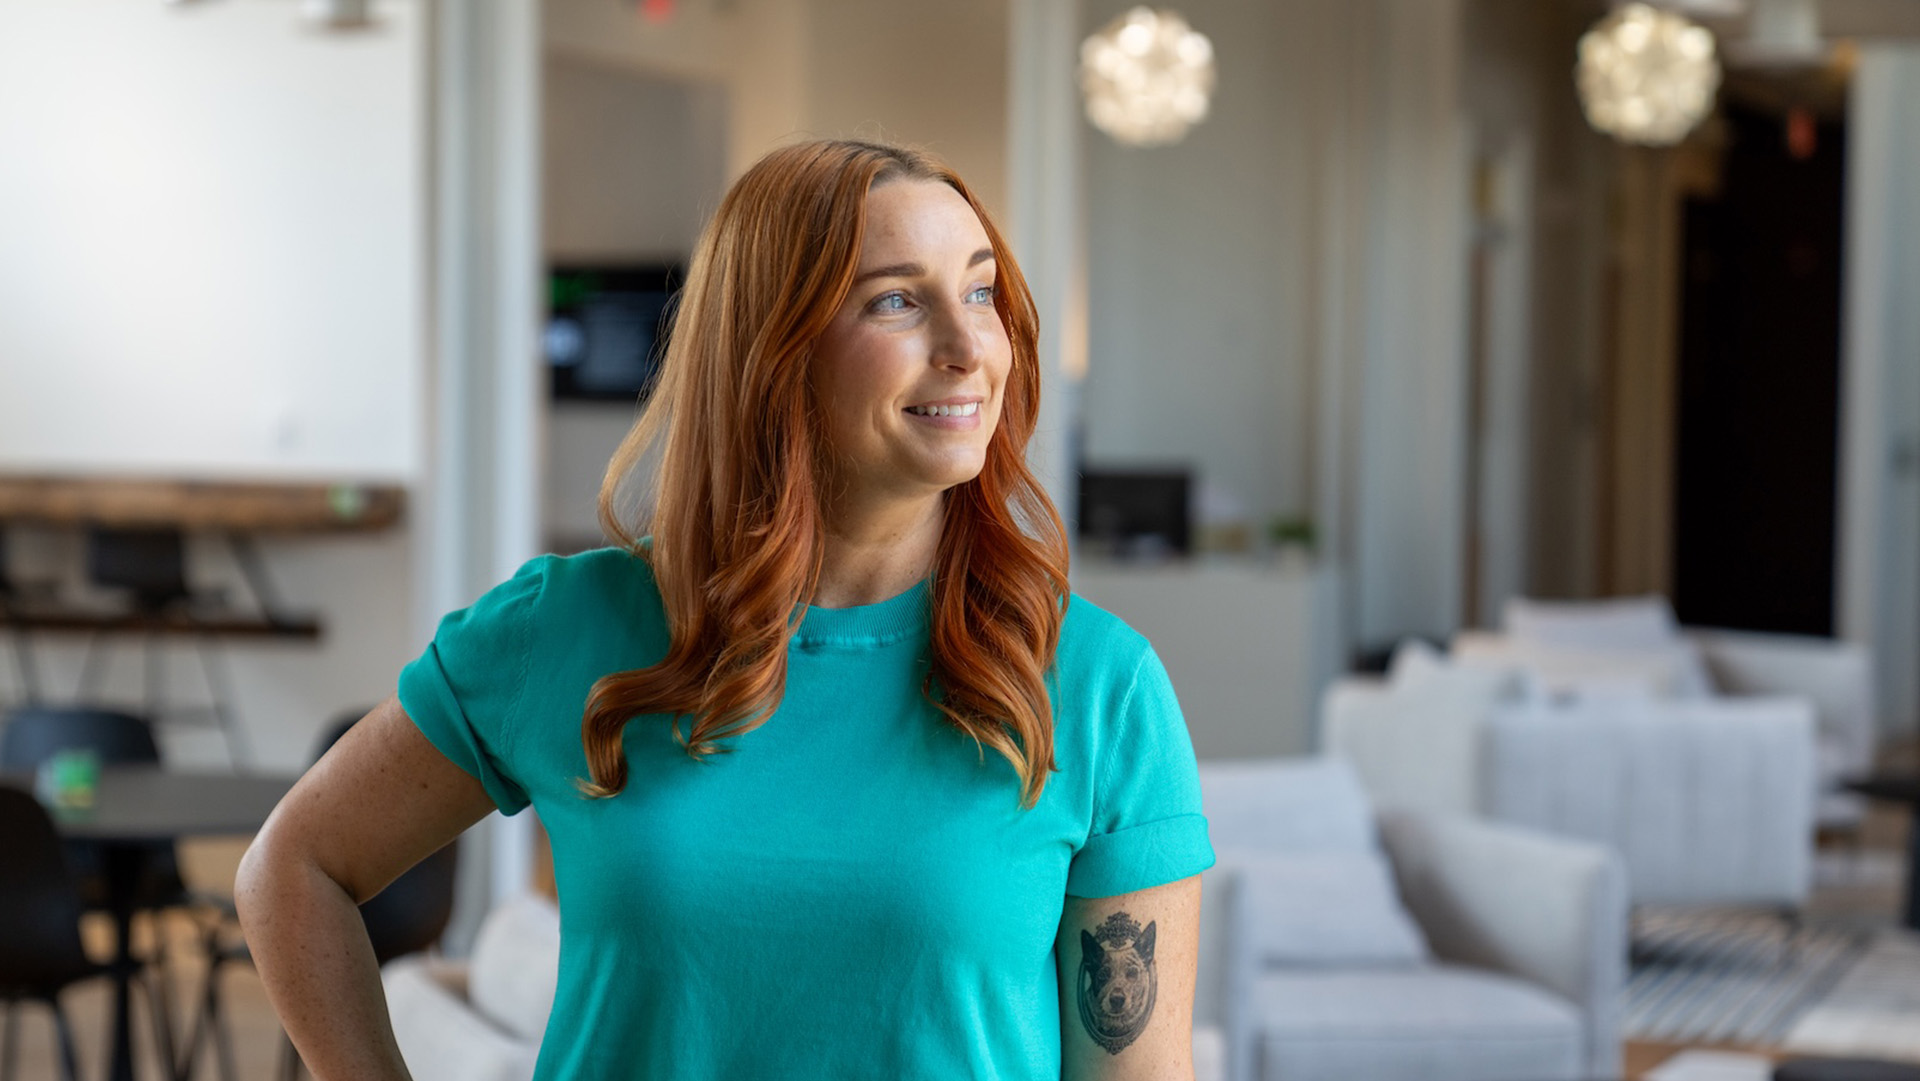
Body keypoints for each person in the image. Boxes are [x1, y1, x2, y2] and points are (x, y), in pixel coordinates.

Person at [237, 139, 1214, 1081]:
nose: (968, 348)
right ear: (773, 349)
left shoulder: (1097, 684)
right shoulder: (563, 628)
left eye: (979, 290)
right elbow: (296, 866)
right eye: (896, 301)